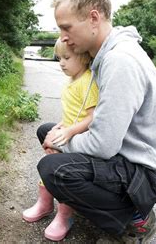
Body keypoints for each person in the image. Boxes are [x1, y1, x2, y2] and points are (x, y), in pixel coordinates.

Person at [37, 0, 156, 242]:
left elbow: (102, 145)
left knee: (53, 168)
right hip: (128, 156)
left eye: (66, 27)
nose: (62, 37)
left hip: (150, 173)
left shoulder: (120, 61)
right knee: (47, 131)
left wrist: (61, 144)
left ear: (94, 17)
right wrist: (62, 134)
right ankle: (103, 205)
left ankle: (135, 220)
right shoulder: (106, 57)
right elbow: (98, 123)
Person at [22, 38, 99, 241]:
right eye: (59, 58)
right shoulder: (72, 80)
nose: (62, 63)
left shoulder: (88, 82)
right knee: (48, 163)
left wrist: (71, 131)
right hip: (69, 132)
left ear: (83, 57)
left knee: (63, 174)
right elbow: (73, 112)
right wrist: (59, 126)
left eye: (67, 57)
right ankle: (45, 204)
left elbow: (92, 117)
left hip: (81, 139)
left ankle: (65, 216)